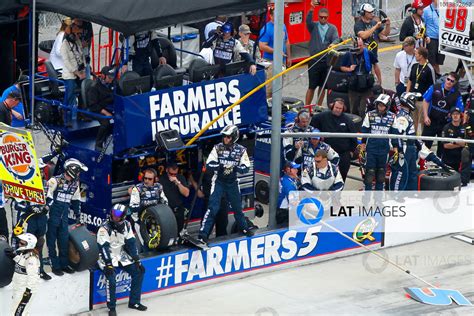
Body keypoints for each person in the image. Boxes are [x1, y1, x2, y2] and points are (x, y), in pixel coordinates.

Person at [199, 125, 254, 243]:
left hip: (233, 183)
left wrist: (235, 167)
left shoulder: (241, 150)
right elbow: (209, 164)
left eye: (228, 137)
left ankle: (244, 228)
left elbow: (246, 168)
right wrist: (220, 166)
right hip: (218, 182)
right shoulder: (217, 148)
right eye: (224, 137)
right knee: (213, 208)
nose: (225, 139)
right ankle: (203, 234)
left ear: (234, 137)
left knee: (237, 209)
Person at [13, 152, 60, 281]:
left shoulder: (46, 184)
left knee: (39, 243)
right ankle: (22, 271)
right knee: (26, 244)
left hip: (42, 218)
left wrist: (46, 207)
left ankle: (40, 270)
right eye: (38, 170)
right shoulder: (23, 183)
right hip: (29, 219)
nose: (40, 173)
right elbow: (17, 204)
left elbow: (50, 199)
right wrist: (28, 208)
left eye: (41, 170)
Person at [97, 204, 147, 316]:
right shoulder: (104, 228)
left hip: (121, 255)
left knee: (139, 271)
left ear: (123, 216)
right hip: (106, 257)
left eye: (118, 215)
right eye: (113, 214)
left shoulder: (127, 225)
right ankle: (112, 308)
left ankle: (134, 302)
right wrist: (108, 264)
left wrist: (137, 260)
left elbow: (132, 243)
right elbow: (103, 247)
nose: (115, 217)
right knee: (112, 279)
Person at [45, 158, 87, 276]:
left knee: (64, 241)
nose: (79, 174)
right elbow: (47, 198)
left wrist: (78, 215)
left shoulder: (75, 183)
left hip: (64, 216)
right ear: (73, 170)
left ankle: (64, 264)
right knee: (51, 241)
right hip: (52, 215)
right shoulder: (54, 181)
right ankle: (55, 265)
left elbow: (76, 200)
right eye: (78, 172)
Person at [310, 98, 358, 181]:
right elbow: (312, 126)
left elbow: (353, 137)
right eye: (336, 108)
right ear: (332, 106)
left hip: (343, 155)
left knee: (341, 177)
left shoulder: (348, 120)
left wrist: (351, 151)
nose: (338, 110)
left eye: (340, 108)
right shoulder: (322, 116)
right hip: (326, 153)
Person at [305, 4, 339, 106]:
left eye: (325, 17)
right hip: (314, 61)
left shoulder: (332, 28)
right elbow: (307, 21)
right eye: (321, 17)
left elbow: (337, 38)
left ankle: (318, 107)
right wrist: (311, 9)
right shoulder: (313, 26)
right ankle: (307, 106)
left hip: (326, 61)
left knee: (323, 87)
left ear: (328, 17)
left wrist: (333, 44)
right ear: (318, 17)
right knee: (311, 87)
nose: (323, 19)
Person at [361, 94, 397, 191]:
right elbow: (364, 130)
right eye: (378, 105)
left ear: (387, 105)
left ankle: (378, 200)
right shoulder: (369, 115)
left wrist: (396, 148)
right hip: (371, 148)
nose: (380, 107)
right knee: (369, 174)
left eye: (382, 105)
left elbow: (395, 134)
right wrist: (362, 145)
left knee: (381, 175)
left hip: (384, 149)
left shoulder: (393, 117)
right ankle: (367, 200)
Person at [422, 72, 464, 155]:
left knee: (442, 148)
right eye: (448, 79)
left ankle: (440, 165)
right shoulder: (435, 87)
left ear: (455, 83)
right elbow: (425, 101)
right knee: (424, 145)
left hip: (445, 124)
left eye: (452, 81)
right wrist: (426, 116)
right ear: (445, 79)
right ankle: (421, 164)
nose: (449, 82)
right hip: (431, 121)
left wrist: (453, 117)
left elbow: (460, 110)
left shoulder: (457, 94)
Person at [340, 37, 381, 117]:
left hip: (366, 86)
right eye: (357, 46)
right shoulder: (348, 54)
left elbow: (375, 65)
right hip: (353, 87)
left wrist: (379, 80)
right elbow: (341, 67)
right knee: (353, 110)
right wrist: (349, 69)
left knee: (363, 110)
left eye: (361, 45)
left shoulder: (368, 53)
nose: (359, 47)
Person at [259, 7, 292, 98]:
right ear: (271, 16)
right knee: (270, 88)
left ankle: (276, 105)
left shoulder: (283, 26)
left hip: (282, 60)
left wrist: (289, 57)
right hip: (271, 62)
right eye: (275, 15)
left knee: (279, 86)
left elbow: (286, 41)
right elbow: (261, 46)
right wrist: (276, 51)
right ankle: (268, 107)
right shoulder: (267, 29)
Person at [390, 92, 419, 191]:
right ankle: (396, 195)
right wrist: (400, 151)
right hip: (404, 147)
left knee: (412, 172)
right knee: (401, 172)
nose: (415, 103)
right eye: (414, 101)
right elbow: (398, 135)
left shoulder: (406, 115)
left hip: (410, 147)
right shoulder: (402, 117)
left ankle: (411, 194)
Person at [129, 168, 168, 240]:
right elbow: (132, 207)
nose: (147, 181)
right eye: (145, 178)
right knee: (145, 243)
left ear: (155, 179)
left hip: (155, 219)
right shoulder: (137, 189)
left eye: (150, 179)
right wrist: (145, 205)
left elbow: (165, 202)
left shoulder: (159, 187)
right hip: (140, 221)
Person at [6, 233, 40, 316]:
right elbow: (22, 264)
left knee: (17, 314)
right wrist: (14, 256)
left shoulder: (32, 259)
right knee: (19, 313)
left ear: (29, 244)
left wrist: (27, 293)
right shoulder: (23, 253)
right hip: (18, 288)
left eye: (22, 243)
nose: (19, 244)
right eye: (20, 242)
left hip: (24, 291)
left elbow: (33, 277)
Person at [406, 46, 436, 134]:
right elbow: (410, 80)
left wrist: (428, 99)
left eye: (416, 54)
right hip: (412, 99)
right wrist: (407, 93)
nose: (415, 55)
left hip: (423, 101)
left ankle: (422, 140)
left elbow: (433, 86)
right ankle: (413, 138)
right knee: (412, 120)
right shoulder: (415, 66)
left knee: (422, 121)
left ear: (421, 56)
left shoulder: (429, 69)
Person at [60, 22, 86, 123]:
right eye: (75, 34)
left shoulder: (77, 42)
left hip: (79, 73)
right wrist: (76, 72)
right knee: (70, 95)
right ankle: (66, 116)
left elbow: (81, 55)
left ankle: (81, 114)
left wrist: (83, 69)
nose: (77, 36)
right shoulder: (64, 46)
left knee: (82, 93)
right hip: (69, 75)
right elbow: (66, 62)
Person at [87, 66, 115, 151]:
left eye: (112, 77)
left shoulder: (113, 83)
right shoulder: (94, 87)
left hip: (109, 106)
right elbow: (93, 105)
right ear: (103, 76)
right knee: (105, 122)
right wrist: (106, 113)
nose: (111, 80)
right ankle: (98, 144)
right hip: (97, 109)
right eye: (109, 78)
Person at [159, 162, 190, 232]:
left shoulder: (180, 178)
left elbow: (186, 193)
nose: (173, 176)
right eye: (171, 174)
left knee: (179, 231)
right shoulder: (161, 180)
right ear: (167, 170)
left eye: (175, 174)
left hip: (178, 209)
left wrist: (177, 183)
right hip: (166, 211)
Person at [423, 0, 444, 75]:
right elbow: (422, 26)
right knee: (432, 61)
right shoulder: (426, 10)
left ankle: (437, 75)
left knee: (438, 61)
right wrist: (425, 36)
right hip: (432, 39)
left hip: (441, 39)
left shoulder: (442, 9)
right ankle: (434, 76)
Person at [277, 161, 300, 225]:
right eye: (294, 169)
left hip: (286, 211)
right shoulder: (288, 184)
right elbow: (293, 202)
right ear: (288, 170)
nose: (297, 170)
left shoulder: (288, 178)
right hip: (285, 213)